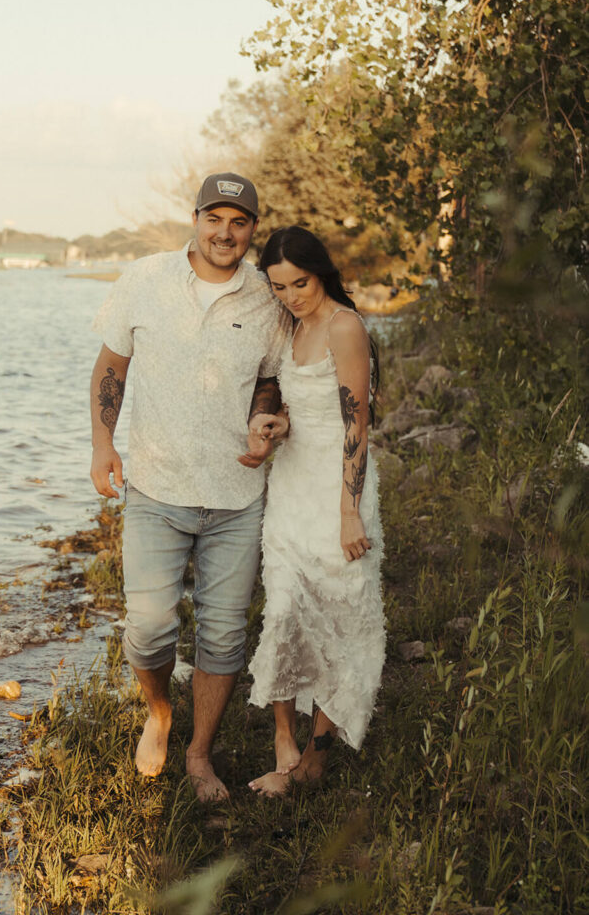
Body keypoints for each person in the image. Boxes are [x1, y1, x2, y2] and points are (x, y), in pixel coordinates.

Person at [89, 173, 290, 802]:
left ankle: (200, 754)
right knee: (148, 627)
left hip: (237, 495)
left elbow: (271, 379)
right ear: (195, 217)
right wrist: (102, 445)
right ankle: (159, 711)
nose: (225, 233)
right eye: (215, 219)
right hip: (155, 487)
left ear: (253, 229)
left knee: (224, 633)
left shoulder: (267, 297)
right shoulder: (144, 280)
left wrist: (265, 419)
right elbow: (111, 366)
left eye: (239, 223)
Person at [243, 226, 385, 797]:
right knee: (282, 609)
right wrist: (276, 427)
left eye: (299, 282)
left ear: (320, 271)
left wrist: (349, 513)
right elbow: (300, 406)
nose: (292, 296)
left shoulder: (345, 326)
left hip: (337, 491)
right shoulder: (291, 327)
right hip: (291, 485)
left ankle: (316, 758)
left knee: (339, 618)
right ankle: (284, 741)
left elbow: (356, 423)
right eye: (278, 287)